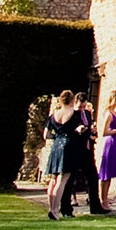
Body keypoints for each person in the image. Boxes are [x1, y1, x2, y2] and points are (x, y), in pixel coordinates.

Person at [43, 90, 79, 220]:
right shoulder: (74, 115)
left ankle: (50, 208)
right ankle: (55, 210)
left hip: (56, 146)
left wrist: (57, 135)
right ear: (72, 101)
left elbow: (46, 135)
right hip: (68, 146)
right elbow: (79, 129)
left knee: (53, 179)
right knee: (62, 180)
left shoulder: (53, 116)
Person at [68, 93, 106, 215]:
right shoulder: (71, 115)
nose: (82, 109)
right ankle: (66, 206)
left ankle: (95, 206)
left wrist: (92, 131)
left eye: (84, 107)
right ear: (75, 104)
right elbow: (69, 131)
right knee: (70, 178)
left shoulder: (88, 114)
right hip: (75, 149)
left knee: (93, 177)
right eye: (80, 107)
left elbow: (89, 128)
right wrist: (78, 130)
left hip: (87, 149)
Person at [97, 89, 116, 210]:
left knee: (112, 173)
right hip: (111, 143)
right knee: (106, 173)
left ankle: (105, 199)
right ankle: (102, 200)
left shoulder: (115, 113)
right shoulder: (109, 114)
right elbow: (105, 132)